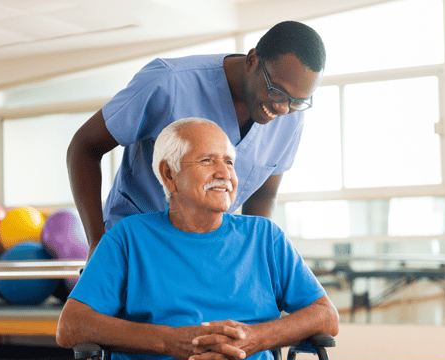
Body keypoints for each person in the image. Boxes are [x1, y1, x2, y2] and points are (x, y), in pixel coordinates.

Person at [56, 118, 339, 360]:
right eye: (207, 160)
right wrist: (168, 341)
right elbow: (71, 326)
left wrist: (256, 338)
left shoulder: (265, 237)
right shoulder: (127, 238)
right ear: (169, 174)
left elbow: (326, 315)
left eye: (229, 162)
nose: (224, 173)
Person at [67, 21, 326, 258]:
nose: (282, 108)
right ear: (252, 60)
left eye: (298, 101)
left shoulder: (290, 116)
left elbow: (264, 194)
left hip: (205, 256)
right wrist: (97, 241)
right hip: (134, 249)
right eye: (276, 91)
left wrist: (255, 256)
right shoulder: (168, 83)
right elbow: (84, 147)